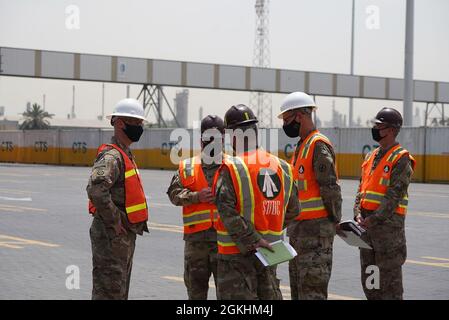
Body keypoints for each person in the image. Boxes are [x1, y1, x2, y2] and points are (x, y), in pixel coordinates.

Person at [213, 104, 300, 300]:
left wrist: (253, 239)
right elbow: (294, 210)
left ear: (234, 135)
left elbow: (226, 211)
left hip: (236, 258)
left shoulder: (231, 166)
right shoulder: (283, 167)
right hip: (270, 254)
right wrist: (267, 232)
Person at [279, 92, 342, 300]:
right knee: (299, 293)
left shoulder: (318, 145)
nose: (285, 125)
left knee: (312, 294)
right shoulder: (302, 146)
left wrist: (335, 221)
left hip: (315, 238)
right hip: (299, 235)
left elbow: (330, 188)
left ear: (300, 116)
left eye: (287, 119)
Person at [87, 98, 149, 300]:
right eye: (136, 123)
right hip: (111, 236)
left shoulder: (124, 154)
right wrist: (115, 221)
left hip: (120, 237)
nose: (140, 128)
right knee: (108, 292)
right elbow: (96, 190)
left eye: (141, 124)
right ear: (120, 123)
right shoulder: (112, 156)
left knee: (118, 292)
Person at [354, 107, 415, 300]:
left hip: (388, 237)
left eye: (378, 125)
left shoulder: (401, 158)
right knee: (371, 285)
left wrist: (373, 219)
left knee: (390, 288)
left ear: (390, 130)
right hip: (367, 233)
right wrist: (357, 213)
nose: (374, 128)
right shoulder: (370, 156)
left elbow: (394, 196)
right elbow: (361, 191)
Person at [166, 115, 225, 300]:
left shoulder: (233, 165)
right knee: (196, 295)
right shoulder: (187, 166)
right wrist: (195, 197)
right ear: (201, 139)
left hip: (225, 243)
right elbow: (173, 194)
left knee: (228, 295)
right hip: (196, 244)